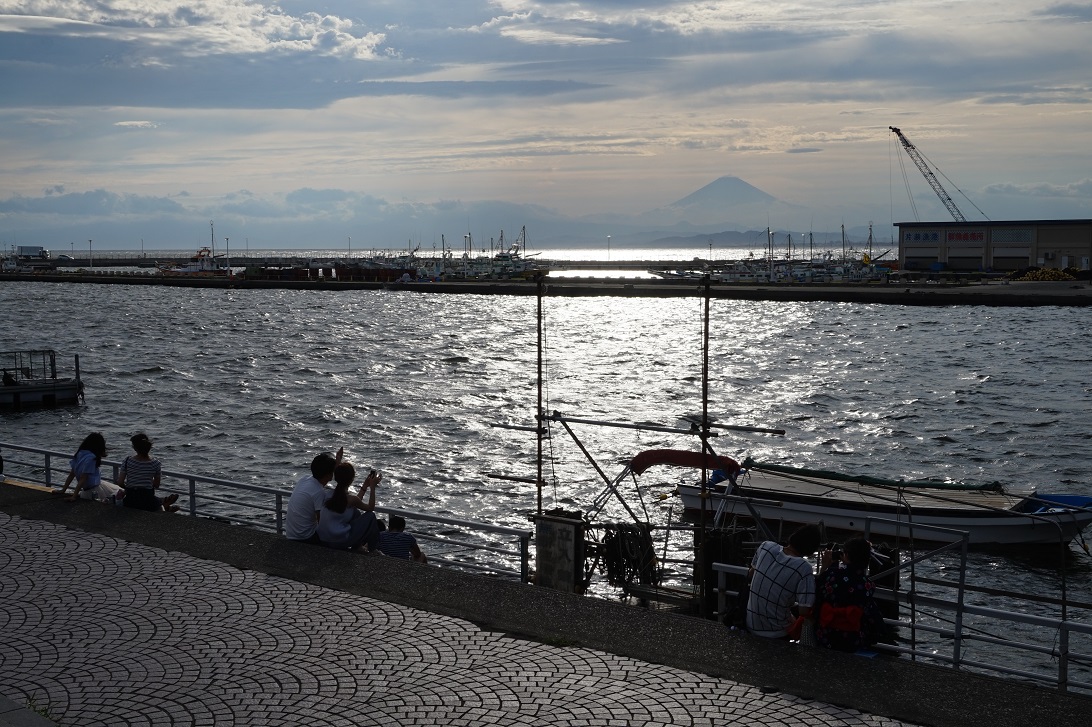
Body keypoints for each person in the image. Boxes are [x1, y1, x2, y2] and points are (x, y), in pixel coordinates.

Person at [745, 524, 822, 639]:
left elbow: (751, 573)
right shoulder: (803, 568)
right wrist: (825, 568)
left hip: (750, 623)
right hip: (777, 632)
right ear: (811, 550)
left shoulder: (765, 546)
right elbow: (804, 610)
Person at [814, 537, 884, 652]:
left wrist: (824, 567)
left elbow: (817, 593)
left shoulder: (831, 575)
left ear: (846, 555)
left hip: (826, 633)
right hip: (853, 637)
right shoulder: (868, 584)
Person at [316, 462, 382, 552]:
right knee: (371, 516)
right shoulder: (350, 499)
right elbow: (370, 508)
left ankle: (358, 547)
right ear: (351, 480)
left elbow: (355, 502)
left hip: (323, 539)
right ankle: (374, 549)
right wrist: (373, 487)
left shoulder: (329, 494)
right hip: (338, 542)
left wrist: (365, 486)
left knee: (356, 512)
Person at [284, 449, 342, 543]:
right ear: (329, 474)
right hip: (305, 537)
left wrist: (338, 462)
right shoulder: (319, 492)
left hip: (291, 534)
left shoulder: (304, 479)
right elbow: (322, 523)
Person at [117, 433, 179, 513]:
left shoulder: (127, 461)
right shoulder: (156, 463)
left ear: (135, 448)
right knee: (154, 502)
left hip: (130, 500)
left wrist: (128, 490)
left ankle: (164, 503)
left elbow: (120, 482)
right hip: (148, 500)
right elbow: (156, 485)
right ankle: (164, 503)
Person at [59, 432, 122, 503]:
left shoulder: (79, 454)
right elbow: (83, 478)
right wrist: (74, 496)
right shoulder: (92, 458)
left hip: (87, 489)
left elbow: (71, 474)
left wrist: (63, 490)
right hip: (94, 490)